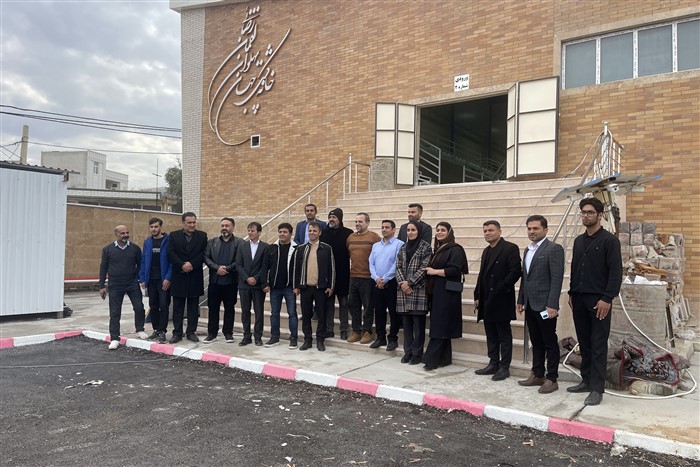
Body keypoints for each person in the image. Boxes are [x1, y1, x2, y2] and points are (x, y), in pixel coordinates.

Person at [568, 198, 622, 406]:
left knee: (598, 344)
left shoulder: (609, 241)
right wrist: (572, 293)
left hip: (599, 301)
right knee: (585, 343)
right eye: (583, 212)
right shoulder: (578, 241)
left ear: (600, 215)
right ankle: (586, 380)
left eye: (590, 212)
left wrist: (607, 298)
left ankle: (597, 389)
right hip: (579, 299)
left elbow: (615, 272)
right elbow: (575, 268)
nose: (586, 216)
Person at [516, 215, 565, 393]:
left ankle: (552, 378)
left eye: (535, 228)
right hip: (530, 304)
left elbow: (557, 279)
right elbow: (526, 278)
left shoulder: (554, 249)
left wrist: (552, 305)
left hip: (545, 306)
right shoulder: (527, 250)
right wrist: (521, 299)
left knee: (549, 342)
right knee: (536, 341)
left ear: (545, 229)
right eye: (529, 228)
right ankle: (538, 374)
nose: (532, 231)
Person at [473, 220, 521, 381]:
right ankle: (493, 362)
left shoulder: (510, 248)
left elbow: (515, 272)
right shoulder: (486, 251)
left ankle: (504, 367)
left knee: (503, 334)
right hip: (486, 298)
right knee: (491, 333)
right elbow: (482, 274)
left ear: (500, 231)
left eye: (491, 230)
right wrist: (477, 295)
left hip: (501, 297)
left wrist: (502, 287)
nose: (487, 233)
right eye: (485, 231)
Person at [423, 222, 469, 371]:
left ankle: (431, 360)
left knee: (439, 325)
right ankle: (444, 358)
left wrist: (434, 271)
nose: (439, 232)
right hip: (438, 291)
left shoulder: (455, 249)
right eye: (437, 230)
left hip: (447, 293)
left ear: (449, 232)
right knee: (441, 324)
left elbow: (455, 270)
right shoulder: (439, 249)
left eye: (443, 230)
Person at [99, 225, 147, 349]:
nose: (125, 235)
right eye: (122, 233)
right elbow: (103, 267)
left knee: (139, 307)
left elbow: (140, 265)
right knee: (115, 312)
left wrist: (140, 279)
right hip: (115, 284)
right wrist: (102, 285)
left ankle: (140, 329)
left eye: (127, 232)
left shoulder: (135, 249)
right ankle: (115, 338)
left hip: (132, 283)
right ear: (116, 234)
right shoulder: (108, 249)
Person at [293, 221, 335, 351]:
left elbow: (332, 268)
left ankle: (320, 340)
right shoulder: (301, 249)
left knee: (322, 315)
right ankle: (307, 340)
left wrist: (330, 285)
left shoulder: (326, 248)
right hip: (305, 287)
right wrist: (296, 286)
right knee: (306, 315)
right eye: (310, 231)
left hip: (320, 287)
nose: (312, 233)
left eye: (314, 231)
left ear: (319, 233)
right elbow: (296, 269)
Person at [167, 212, 208, 344]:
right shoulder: (173, 236)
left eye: (194, 222)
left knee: (193, 307)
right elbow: (170, 253)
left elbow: (203, 254)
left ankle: (191, 332)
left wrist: (192, 264)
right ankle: (177, 333)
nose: (192, 225)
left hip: (194, 276)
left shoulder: (202, 236)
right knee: (178, 307)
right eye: (189, 222)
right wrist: (182, 264)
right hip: (179, 276)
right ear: (183, 223)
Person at [395, 221, 432, 364]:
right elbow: (397, 267)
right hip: (404, 292)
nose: (410, 233)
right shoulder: (403, 247)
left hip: (417, 291)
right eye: (408, 230)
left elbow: (424, 268)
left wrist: (409, 283)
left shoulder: (426, 247)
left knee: (418, 326)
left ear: (419, 231)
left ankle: (417, 354)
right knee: (407, 326)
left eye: (413, 230)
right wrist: (402, 283)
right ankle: (408, 352)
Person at [203, 217, 242, 344]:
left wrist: (228, 268)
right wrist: (217, 268)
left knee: (229, 308)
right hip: (215, 281)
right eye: (222, 225)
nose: (224, 228)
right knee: (213, 308)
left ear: (233, 227)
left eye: (227, 225)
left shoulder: (239, 243)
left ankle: (228, 333)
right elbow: (206, 257)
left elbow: (240, 259)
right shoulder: (212, 242)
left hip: (231, 282)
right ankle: (212, 333)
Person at [368, 220, 404, 350]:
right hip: (377, 283)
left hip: (391, 283)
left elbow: (397, 264)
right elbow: (371, 263)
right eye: (382, 227)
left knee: (393, 312)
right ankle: (380, 338)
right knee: (379, 311)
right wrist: (376, 278)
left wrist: (385, 279)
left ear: (393, 230)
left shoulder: (399, 244)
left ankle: (393, 339)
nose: (384, 229)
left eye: (387, 227)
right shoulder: (376, 245)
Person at [346, 212, 381, 344]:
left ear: (367, 223)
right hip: (353, 276)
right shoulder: (350, 238)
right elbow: (349, 254)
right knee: (353, 305)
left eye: (360, 221)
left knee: (368, 306)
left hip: (368, 277)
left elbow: (379, 255)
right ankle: (356, 331)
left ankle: (367, 331)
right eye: (356, 221)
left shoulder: (374, 237)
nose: (357, 224)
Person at [263, 223, 299, 349]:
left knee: (292, 313)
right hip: (275, 288)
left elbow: (298, 269)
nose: (282, 234)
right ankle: (274, 337)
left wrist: (297, 286)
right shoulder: (271, 248)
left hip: (290, 288)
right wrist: (265, 283)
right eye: (280, 232)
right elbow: (265, 267)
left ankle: (293, 338)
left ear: (290, 233)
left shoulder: (296, 249)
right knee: (274, 313)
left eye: (285, 232)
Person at [320, 208, 353, 340]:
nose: (331, 219)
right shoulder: (323, 233)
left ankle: (344, 330)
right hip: (328, 274)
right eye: (330, 217)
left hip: (343, 274)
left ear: (340, 219)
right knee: (329, 304)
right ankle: (329, 329)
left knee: (344, 304)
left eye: (334, 217)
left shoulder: (348, 233)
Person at [235, 222, 269, 346]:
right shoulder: (242, 246)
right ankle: (246, 336)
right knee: (245, 311)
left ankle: (258, 337)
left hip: (258, 285)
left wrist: (255, 278)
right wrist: (247, 278)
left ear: (259, 232)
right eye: (248, 230)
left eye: (252, 230)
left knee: (258, 312)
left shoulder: (265, 247)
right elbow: (238, 264)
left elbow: (265, 266)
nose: (250, 233)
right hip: (244, 285)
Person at [139, 217, 172, 344]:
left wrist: (168, 277)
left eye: (156, 227)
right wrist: (142, 278)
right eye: (151, 227)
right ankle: (156, 330)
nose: (153, 229)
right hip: (151, 280)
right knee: (153, 306)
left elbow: (172, 262)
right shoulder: (147, 242)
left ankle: (162, 331)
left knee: (164, 306)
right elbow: (143, 261)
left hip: (163, 280)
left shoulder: (168, 241)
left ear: (160, 227)